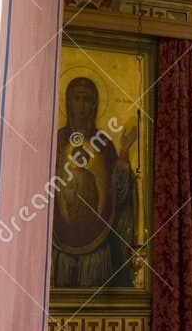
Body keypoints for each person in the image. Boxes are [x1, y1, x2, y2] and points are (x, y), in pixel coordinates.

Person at [51, 76, 137, 288]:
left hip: (98, 246)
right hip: (59, 244)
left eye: (87, 100)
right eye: (76, 98)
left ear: (95, 105)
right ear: (68, 103)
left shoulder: (104, 144)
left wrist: (124, 156)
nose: (81, 106)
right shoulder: (56, 140)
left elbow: (117, 194)